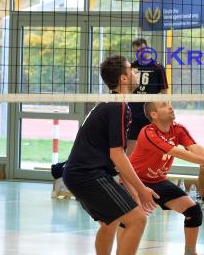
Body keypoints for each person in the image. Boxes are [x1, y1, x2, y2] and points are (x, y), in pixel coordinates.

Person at [62, 55, 159, 255]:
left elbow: (118, 157)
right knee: (138, 219)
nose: (136, 72)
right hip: (88, 174)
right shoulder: (117, 106)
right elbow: (117, 155)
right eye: (132, 69)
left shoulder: (113, 104)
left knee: (110, 222)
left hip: (80, 174)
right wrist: (141, 190)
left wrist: (132, 192)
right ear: (123, 79)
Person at [128, 101, 204, 255]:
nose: (170, 107)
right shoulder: (148, 132)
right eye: (164, 105)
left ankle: (190, 252)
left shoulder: (178, 129)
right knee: (131, 222)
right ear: (154, 114)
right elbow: (177, 152)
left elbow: (194, 148)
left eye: (170, 104)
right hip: (135, 181)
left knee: (193, 211)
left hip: (158, 181)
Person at [127, 37, 168, 155]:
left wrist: (164, 110)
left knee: (153, 145)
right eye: (137, 51)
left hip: (151, 113)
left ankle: (152, 172)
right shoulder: (131, 67)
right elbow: (125, 89)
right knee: (131, 146)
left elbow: (164, 91)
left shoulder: (157, 67)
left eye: (143, 50)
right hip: (134, 112)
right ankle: (128, 173)